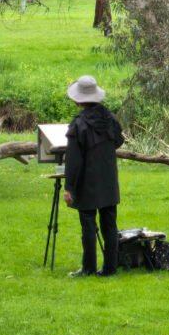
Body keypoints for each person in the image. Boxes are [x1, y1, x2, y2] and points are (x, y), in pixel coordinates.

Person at [62, 75, 125, 277]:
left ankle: (89, 267)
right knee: (109, 224)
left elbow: (73, 161)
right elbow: (118, 141)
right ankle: (110, 268)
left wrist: (69, 187)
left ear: (78, 99)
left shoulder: (78, 125)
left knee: (88, 224)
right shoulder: (110, 119)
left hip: (87, 180)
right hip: (107, 178)